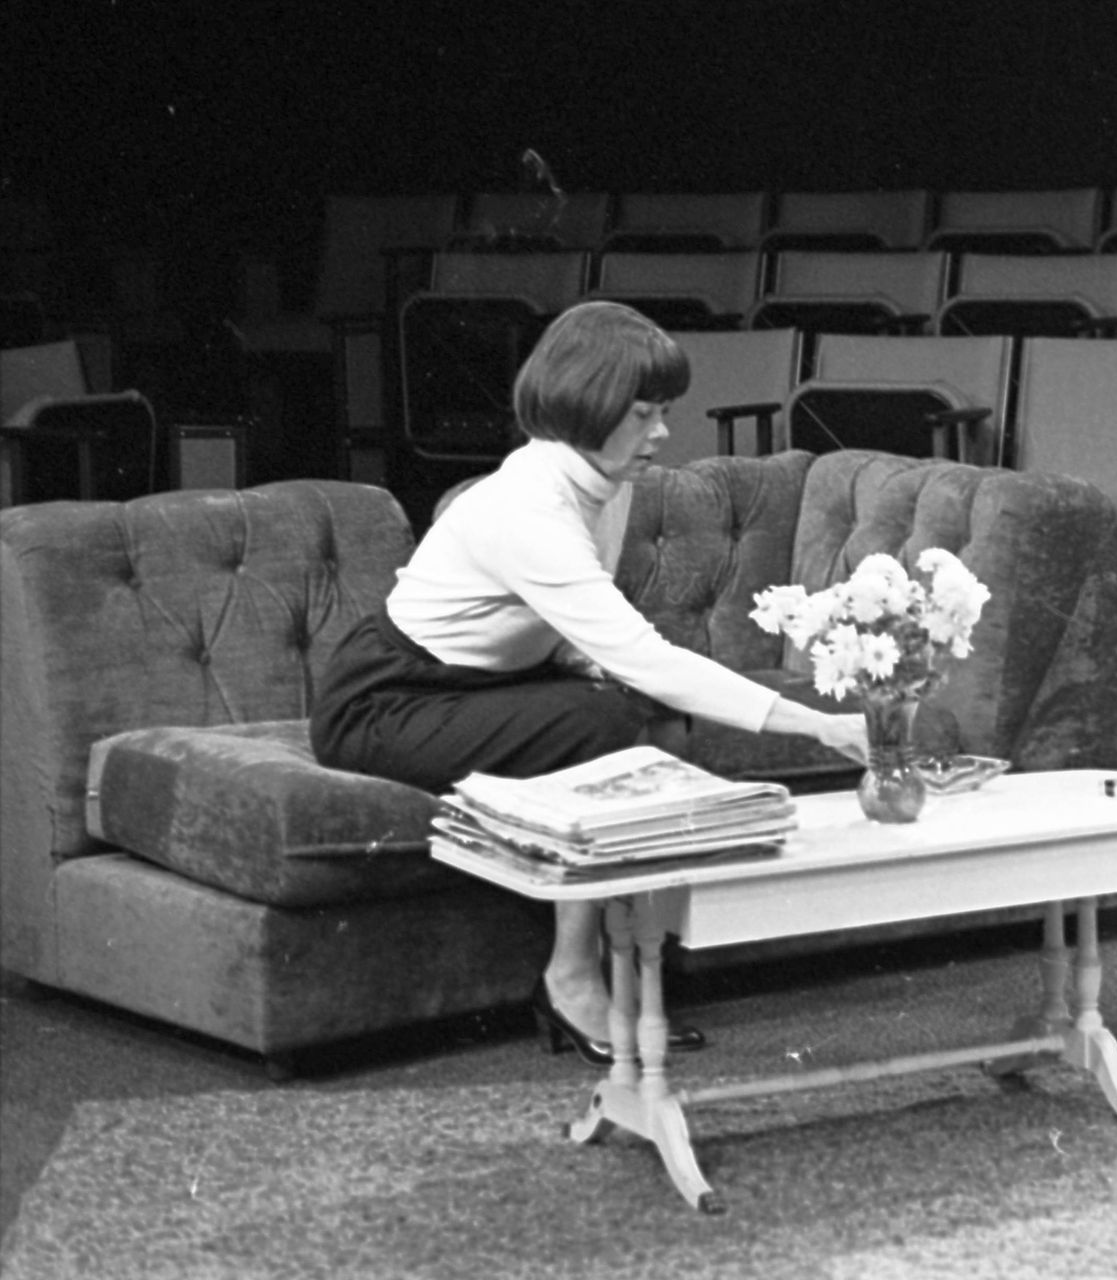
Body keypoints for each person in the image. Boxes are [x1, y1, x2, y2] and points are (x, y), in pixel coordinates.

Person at [311, 300, 869, 1063]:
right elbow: (644, 654)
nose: (662, 433)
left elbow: (579, 634)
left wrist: (602, 673)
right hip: (389, 702)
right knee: (607, 725)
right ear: (588, 406)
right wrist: (821, 724)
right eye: (644, 414)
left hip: (482, 685)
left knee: (653, 720)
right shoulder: (526, 508)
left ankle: (626, 967)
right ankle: (570, 978)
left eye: (663, 411)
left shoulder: (606, 480)